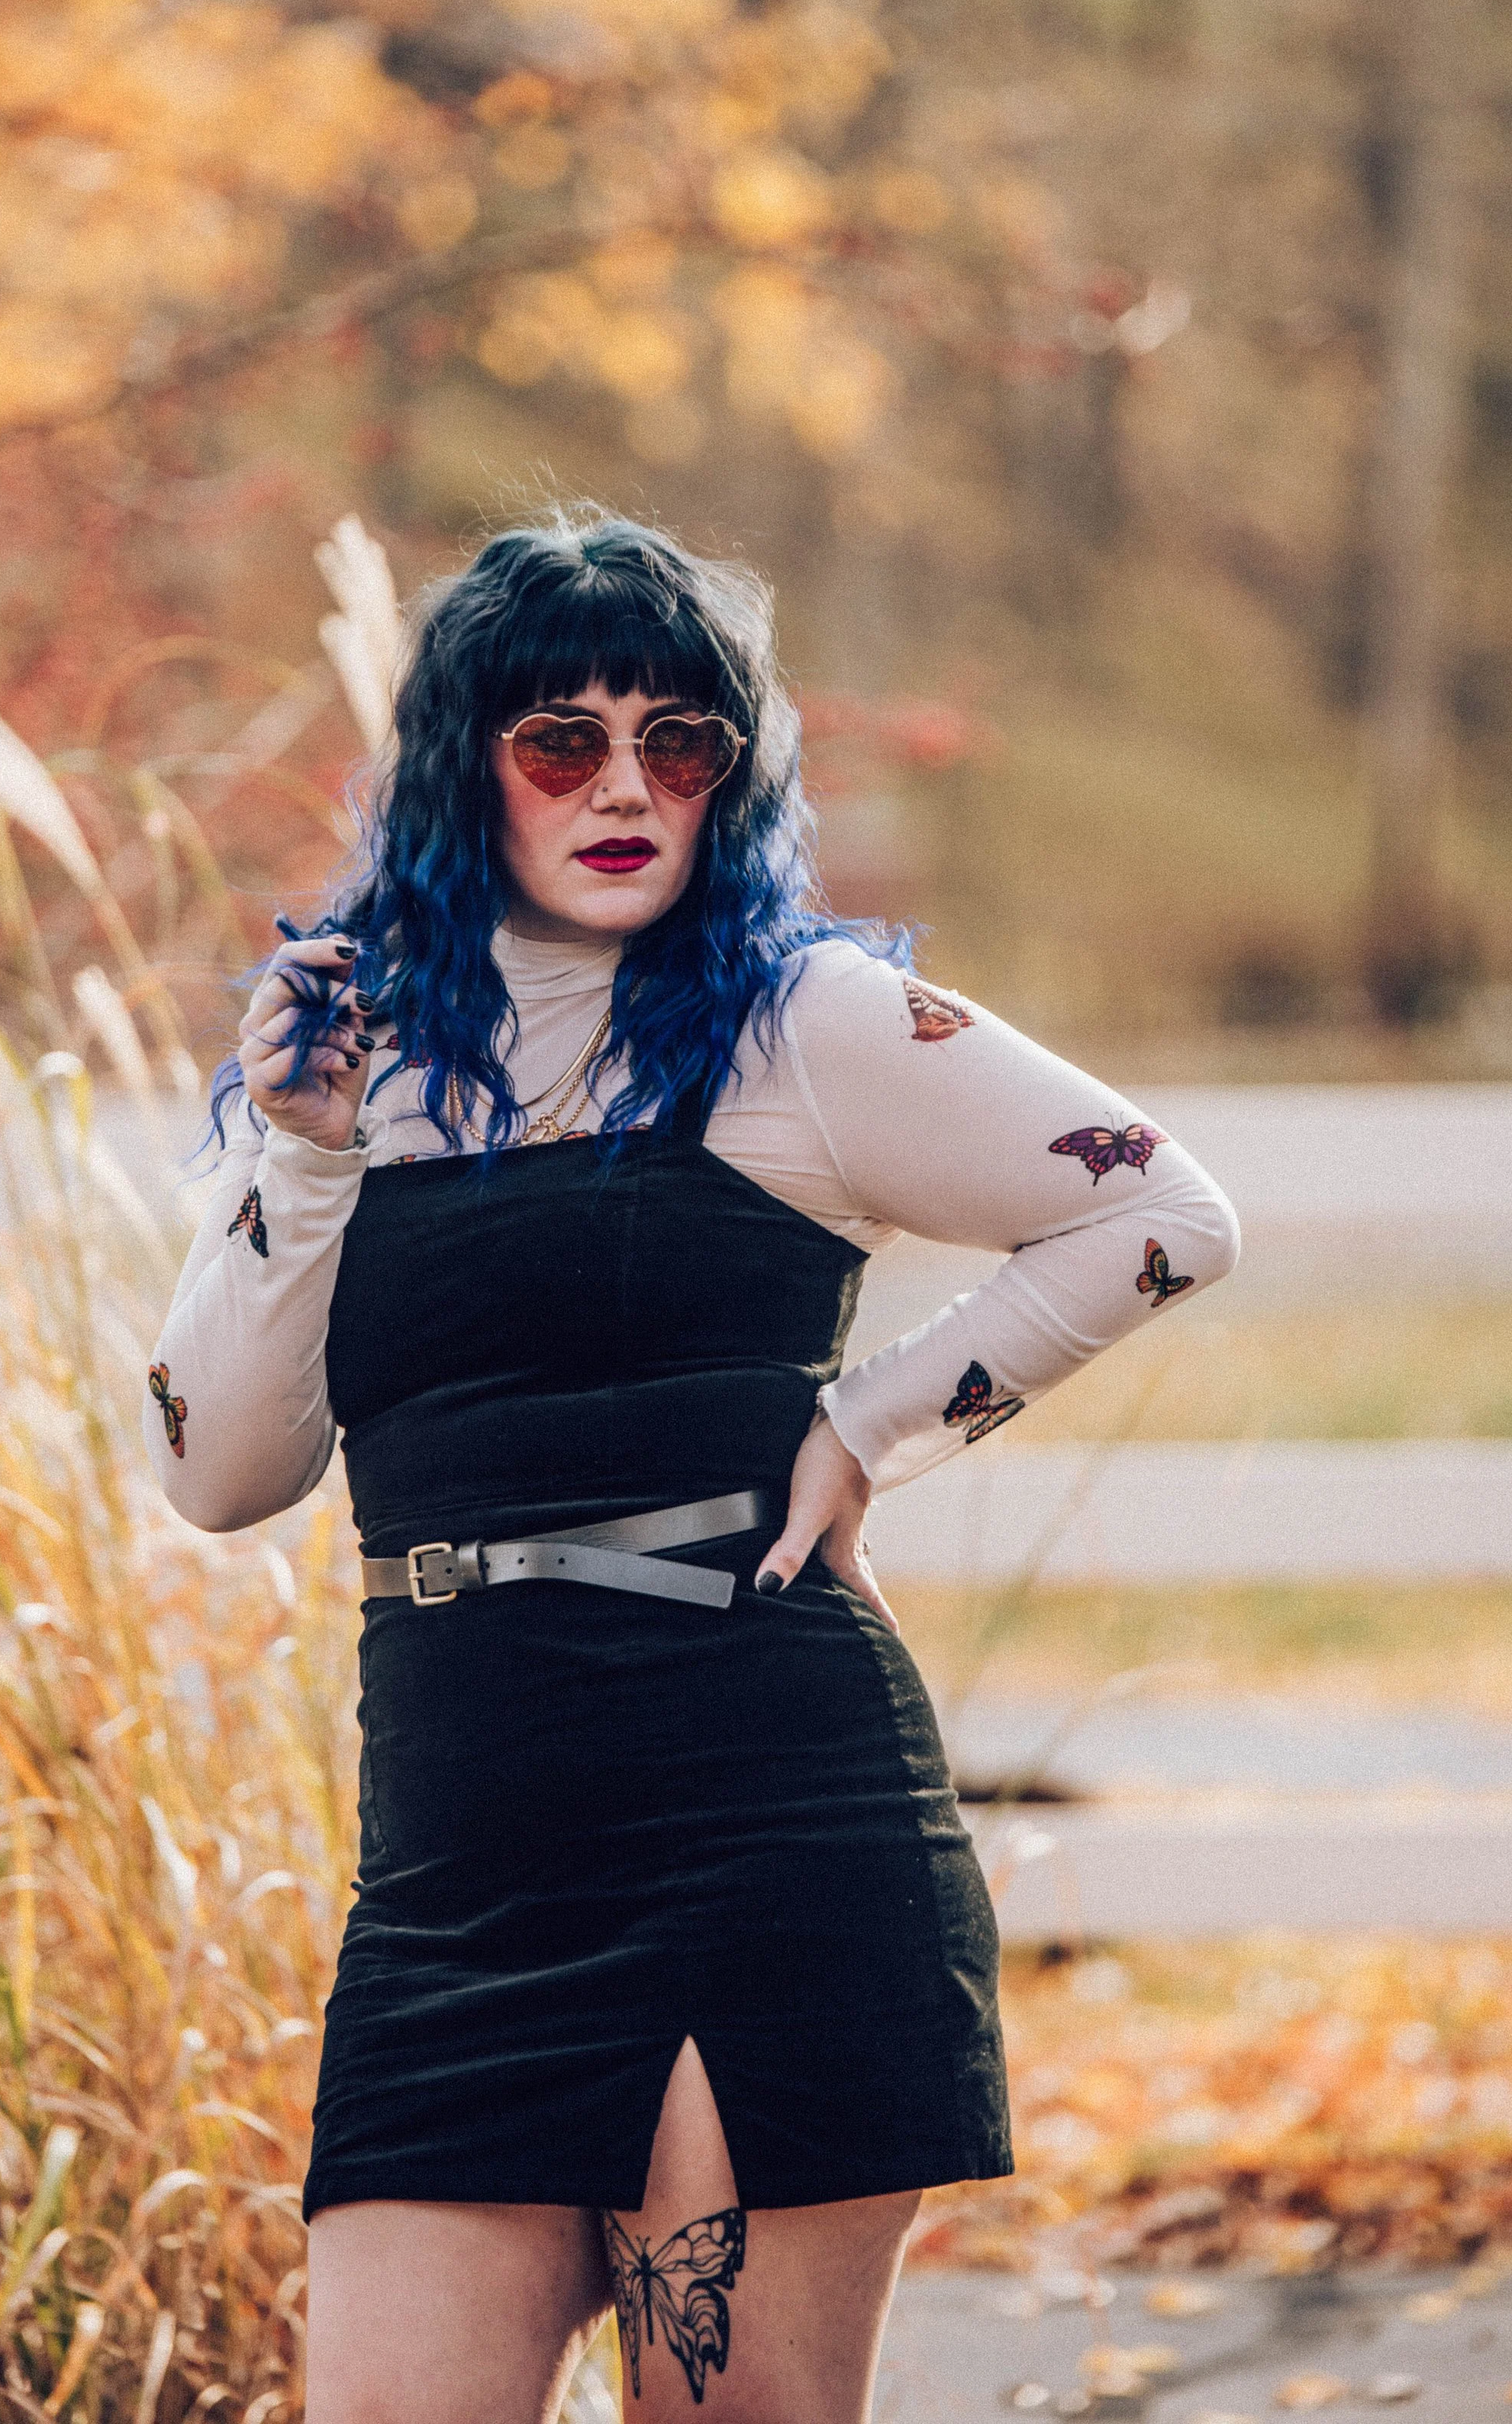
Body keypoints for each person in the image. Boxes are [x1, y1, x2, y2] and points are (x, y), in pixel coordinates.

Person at [145, 513, 1240, 2424]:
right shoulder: (348, 1057)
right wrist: (305, 1155)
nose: (628, 783)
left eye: (681, 740)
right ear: (461, 761)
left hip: (761, 1819)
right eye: (561, 738)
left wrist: (870, 1419)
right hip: (457, 1869)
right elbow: (222, 1474)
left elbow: (1159, 1207)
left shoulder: (799, 1020)